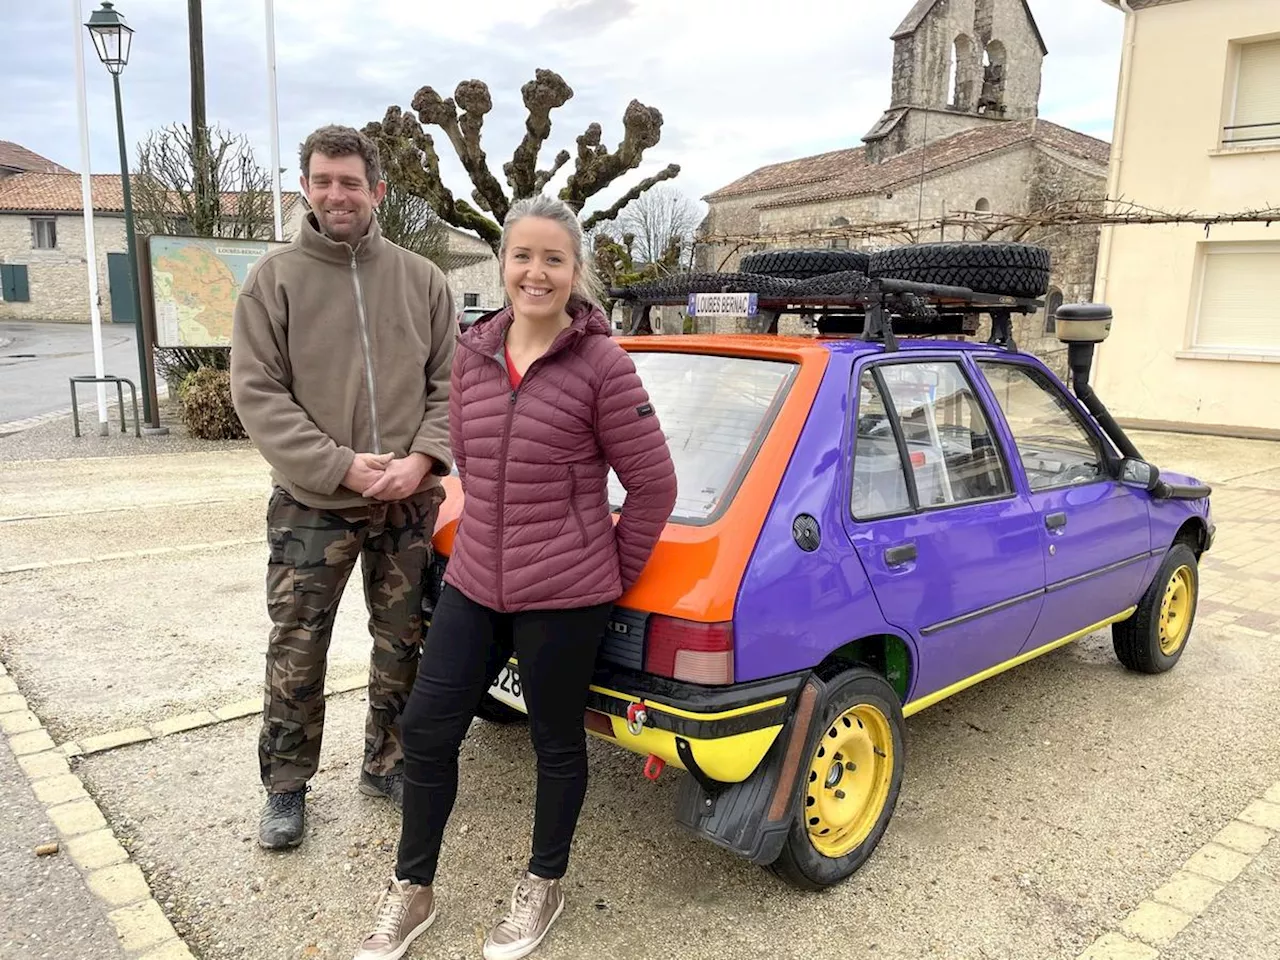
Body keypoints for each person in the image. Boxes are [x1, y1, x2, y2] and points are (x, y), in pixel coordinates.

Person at [350, 194, 677, 960]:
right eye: (522, 256)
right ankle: (413, 887)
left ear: (574, 271)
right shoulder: (473, 352)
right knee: (428, 730)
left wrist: (606, 575)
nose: (536, 272)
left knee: (556, 742)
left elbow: (654, 485)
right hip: (477, 581)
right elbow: (470, 461)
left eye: (553, 259)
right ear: (503, 265)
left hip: (565, 593)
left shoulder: (602, 364)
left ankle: (543, 883)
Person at [230, 124, 456, 850]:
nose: (337, 194)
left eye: (350, 182)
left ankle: (386, 762)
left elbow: (451, 386)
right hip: (312, 505)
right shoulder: (274, 281)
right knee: (298, 644)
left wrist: (423, 460)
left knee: (403, 640)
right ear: (306, 188)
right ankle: (286, 787)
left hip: (407, 501)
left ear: (376, 191)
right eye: (323, 180)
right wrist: (339, 465)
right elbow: (258, 394)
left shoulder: (423, 281)